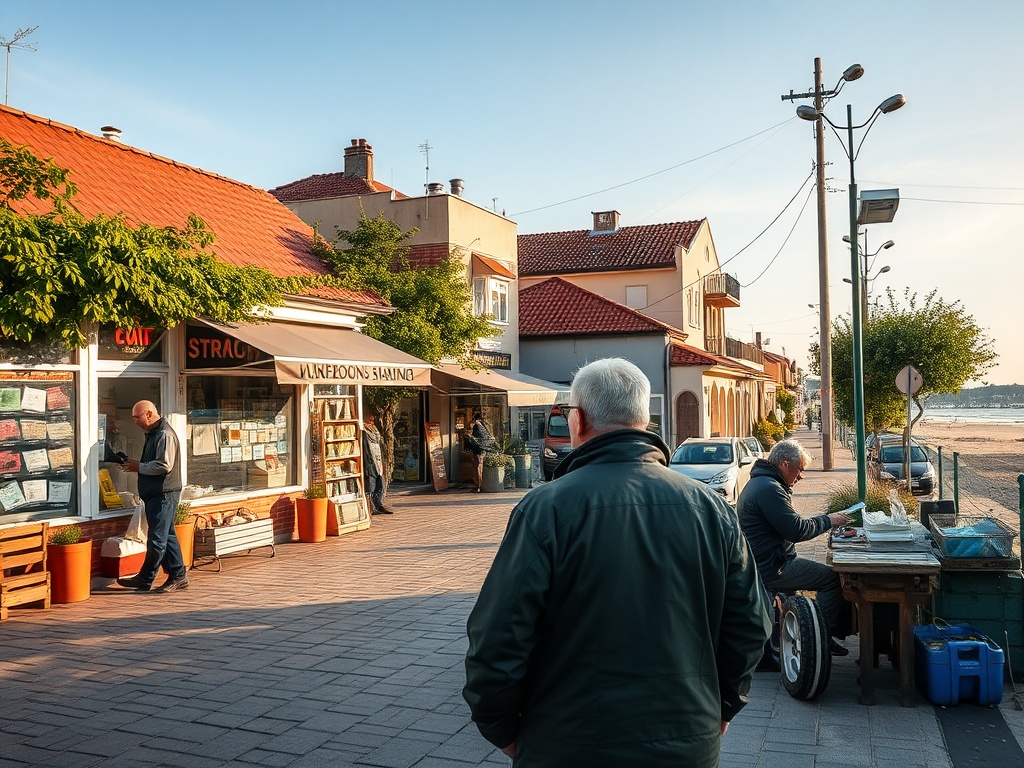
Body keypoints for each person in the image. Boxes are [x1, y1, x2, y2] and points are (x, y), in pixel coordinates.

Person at [463, 358, 770, 768]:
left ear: (580, 420)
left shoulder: (544, 510)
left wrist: (501, 730)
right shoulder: (710, 509)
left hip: (568, 744)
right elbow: (750, 625)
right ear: (643, 419)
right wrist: (725, 706)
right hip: (687, 742)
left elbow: (497, 639)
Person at [736, 438, 852, 656]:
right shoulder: (769, 489)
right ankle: (820, 638)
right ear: (785, 464)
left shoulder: (763, 483)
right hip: (772, 567)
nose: (802, 475)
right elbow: (796, 530)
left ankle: (815, 634)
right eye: (800, 469)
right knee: (832, 578)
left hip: (766, 561)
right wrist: (830, 520)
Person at [116, 401, 188, 593]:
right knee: (167, 535)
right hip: (156, 494)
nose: (135, 422)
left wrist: (138, 466)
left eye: (137, 418)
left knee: (157, 540)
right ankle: (179, 575)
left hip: (163, 494)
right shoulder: (154, 433)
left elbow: (164, 465)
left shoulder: (164, 434)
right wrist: (135, 465)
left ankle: (145, 578)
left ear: (148, 414)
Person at [362, 414, 393, 515]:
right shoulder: (364, 433)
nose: (371, 423)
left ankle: (378, 503)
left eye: (372, 421)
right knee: (371, 485)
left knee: (380, 483)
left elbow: (380, 446)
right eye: (370, 421)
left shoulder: (375, 432)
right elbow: (365, 448)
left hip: (378, 460)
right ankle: (371, 506)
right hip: (370, 460)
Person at [466, 412, 492, 492]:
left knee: (477, 468)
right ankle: (480, 486)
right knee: (480, 467)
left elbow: (475, 439)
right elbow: (488, 437)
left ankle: (478, 486)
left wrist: (469, 437)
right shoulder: (484, 427)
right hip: (483, 449)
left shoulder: (476, 426)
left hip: (477, 449)